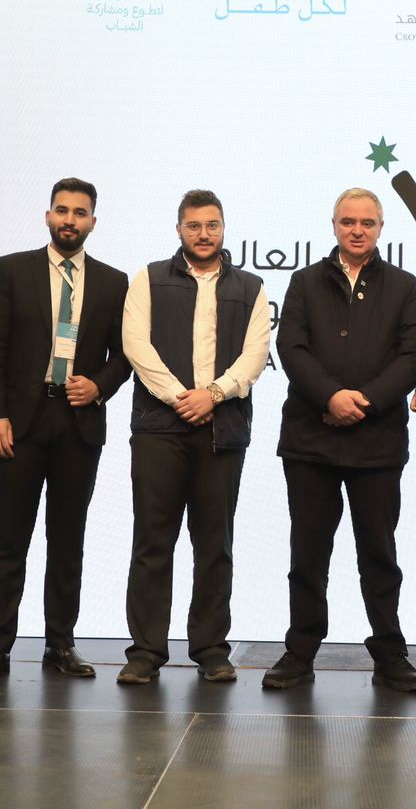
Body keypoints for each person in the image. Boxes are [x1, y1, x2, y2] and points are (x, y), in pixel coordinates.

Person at [0, 178, 131, 684]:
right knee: (8, 540)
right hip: (20, 423)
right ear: (48, 216)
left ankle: (60, 643)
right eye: (62, 210)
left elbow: (125, 356)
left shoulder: (114, 281)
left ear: (93, 222)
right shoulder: (14, 269)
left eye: (80, 213)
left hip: (78, 425)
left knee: (67, 540)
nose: (69, 220)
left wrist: (99, 386)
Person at [262, 188, 416, 692]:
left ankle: (390, 654)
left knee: (379, 554)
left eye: (367, 223)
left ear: (381, 228)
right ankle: (300, 652)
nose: (357, 230)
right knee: (307, 555)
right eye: (348, 222)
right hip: (310, 438)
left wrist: (366, 401)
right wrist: (331, 396)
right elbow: (290, 347)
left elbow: (412, 354)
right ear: (333, 225)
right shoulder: (304, 281)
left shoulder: (404, 285)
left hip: (377, 442)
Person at [117, 189, 271, 684]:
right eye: (194, 225)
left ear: (224, 228)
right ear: (179, 229)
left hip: (222, 430)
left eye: (212, 225)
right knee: (152, 542)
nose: (204, 234)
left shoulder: (251, 287)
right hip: (159, 429)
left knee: (214, 545)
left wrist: (215, 394)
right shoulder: (148, 278)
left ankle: (210, 650)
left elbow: (255, 355)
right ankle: (145, 652)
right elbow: (135, 346)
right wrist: (181, 396)